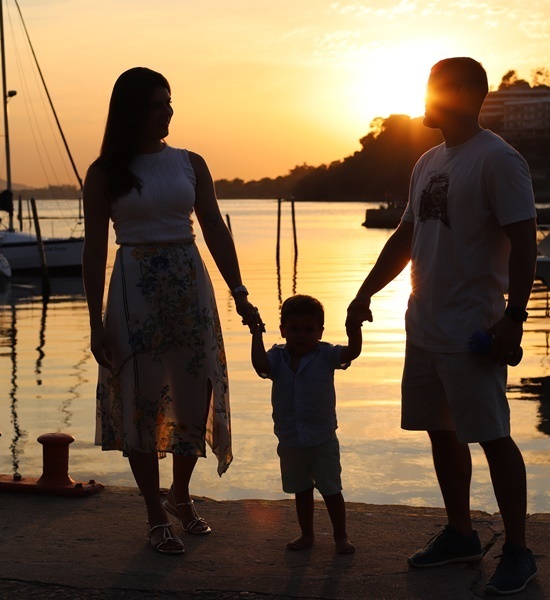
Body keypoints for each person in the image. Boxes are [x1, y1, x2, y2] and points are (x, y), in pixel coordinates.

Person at [346, 57, 539, 595]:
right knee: (441, 429)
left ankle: (520, 550)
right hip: (424, 323)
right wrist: (364, 293)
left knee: (493, 435)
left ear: (461, 93)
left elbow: (525, 242)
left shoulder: (498, 160)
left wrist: (514, 319)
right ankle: (461, 533)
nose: (424, 97)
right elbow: (407, 236)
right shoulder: (429, 160)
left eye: (433, 88)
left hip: (473, 327)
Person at [82, 67, 261, 555]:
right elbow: (94, 250)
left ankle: (180, 494)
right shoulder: (104, 173)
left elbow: (215, 231)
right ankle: (154, 513)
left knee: (193, 393)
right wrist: (95, 323)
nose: (169, 111)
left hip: (188, 283)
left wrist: (240, 291)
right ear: (134, 111)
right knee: (139, 398)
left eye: (170, 101)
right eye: (159, 103)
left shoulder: (190, 162)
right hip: (133, 287)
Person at [250, 294, 360, 554]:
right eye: (295, 329)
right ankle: (307, 534)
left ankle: (340, 536)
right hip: (290, 439)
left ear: (320, 331)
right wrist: (256, 335)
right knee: (301, 490)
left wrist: (354, 329)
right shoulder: (277, 356)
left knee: (331, 490)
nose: (302, 335)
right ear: (283, 330)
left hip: (322, 438)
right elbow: (260, 365)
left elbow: (352, 352)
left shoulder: (326, 355)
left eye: (309, 330)